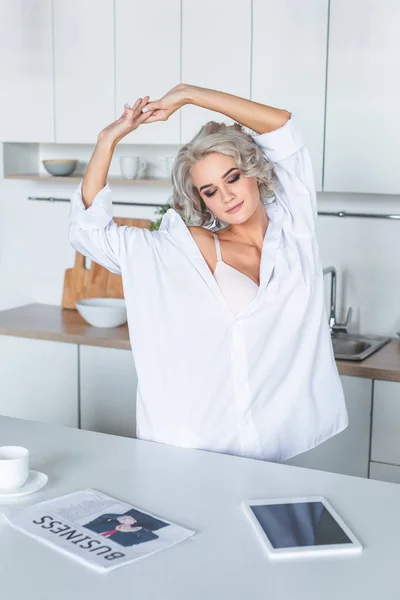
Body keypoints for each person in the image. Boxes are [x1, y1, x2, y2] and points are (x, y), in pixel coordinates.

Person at [68, 83, 348, 463]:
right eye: (210, 191)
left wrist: (187, 95)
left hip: (280, 446)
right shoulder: (189, 247)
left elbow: (283, 129)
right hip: (198, 448)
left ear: (254, 172)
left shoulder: (295, 226)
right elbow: (90, 233)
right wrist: (107, 139)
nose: (226, 196)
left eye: (232, 178)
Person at [83, 508, 168, 547]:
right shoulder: (117, 545)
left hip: (137, 511)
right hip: (156, 521)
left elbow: (104, 517)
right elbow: (152, 537)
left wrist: (119, 518)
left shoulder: (85, 529)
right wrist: (133, 529)